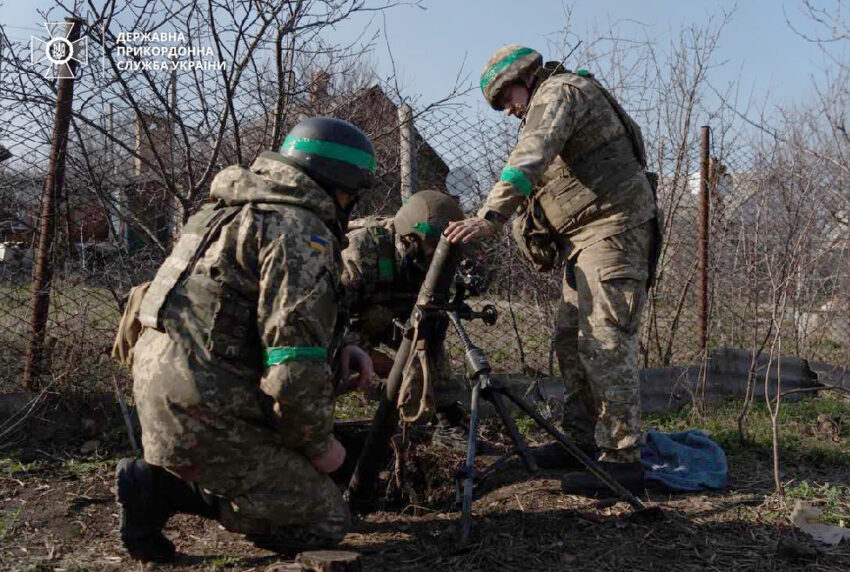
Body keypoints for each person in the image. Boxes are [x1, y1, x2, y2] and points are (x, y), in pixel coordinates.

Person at [114, 117, 377, 562]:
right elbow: (294, 366)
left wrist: (343, 343)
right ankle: (159, 488)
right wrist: (320, 449)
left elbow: (238, 314)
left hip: (167, 396)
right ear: (339, 185)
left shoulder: (226, 209)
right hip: (208, 412)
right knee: (325, 519)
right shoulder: (298, 228)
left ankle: (182, 473)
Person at [445, 45, 660, 493]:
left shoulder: (560, 91)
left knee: (604, 341)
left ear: (523, 79)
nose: (508, 112)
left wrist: (490, 217)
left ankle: (623, 460)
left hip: (612, 231)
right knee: (569, 341)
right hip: (584, 241)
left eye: (506, 100)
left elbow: (532, 154)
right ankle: (579, 442)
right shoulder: (554, 97)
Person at [341, 190, 470, 448]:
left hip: (400, 319)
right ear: (410, 239)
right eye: (435, 250)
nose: (439, 257)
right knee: (327, 365)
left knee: (430, 333)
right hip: (348, 327)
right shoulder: (360, 249)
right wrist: (369, 357)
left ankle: (446, 419)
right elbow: (326, 316)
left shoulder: (435, 257)